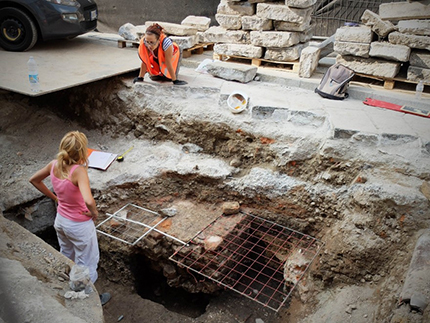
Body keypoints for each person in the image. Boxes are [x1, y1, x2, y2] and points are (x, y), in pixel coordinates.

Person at [29, 131, 110, 305]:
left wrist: (55, 197)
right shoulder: (78, 171)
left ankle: (67, 282)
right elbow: (88, 200)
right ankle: (85, 297)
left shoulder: (53, 165)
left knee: (67, 254)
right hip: (79, 225)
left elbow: (34, 179)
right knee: (86, 262)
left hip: (61, 222)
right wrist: (94, 213)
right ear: (82, 153)